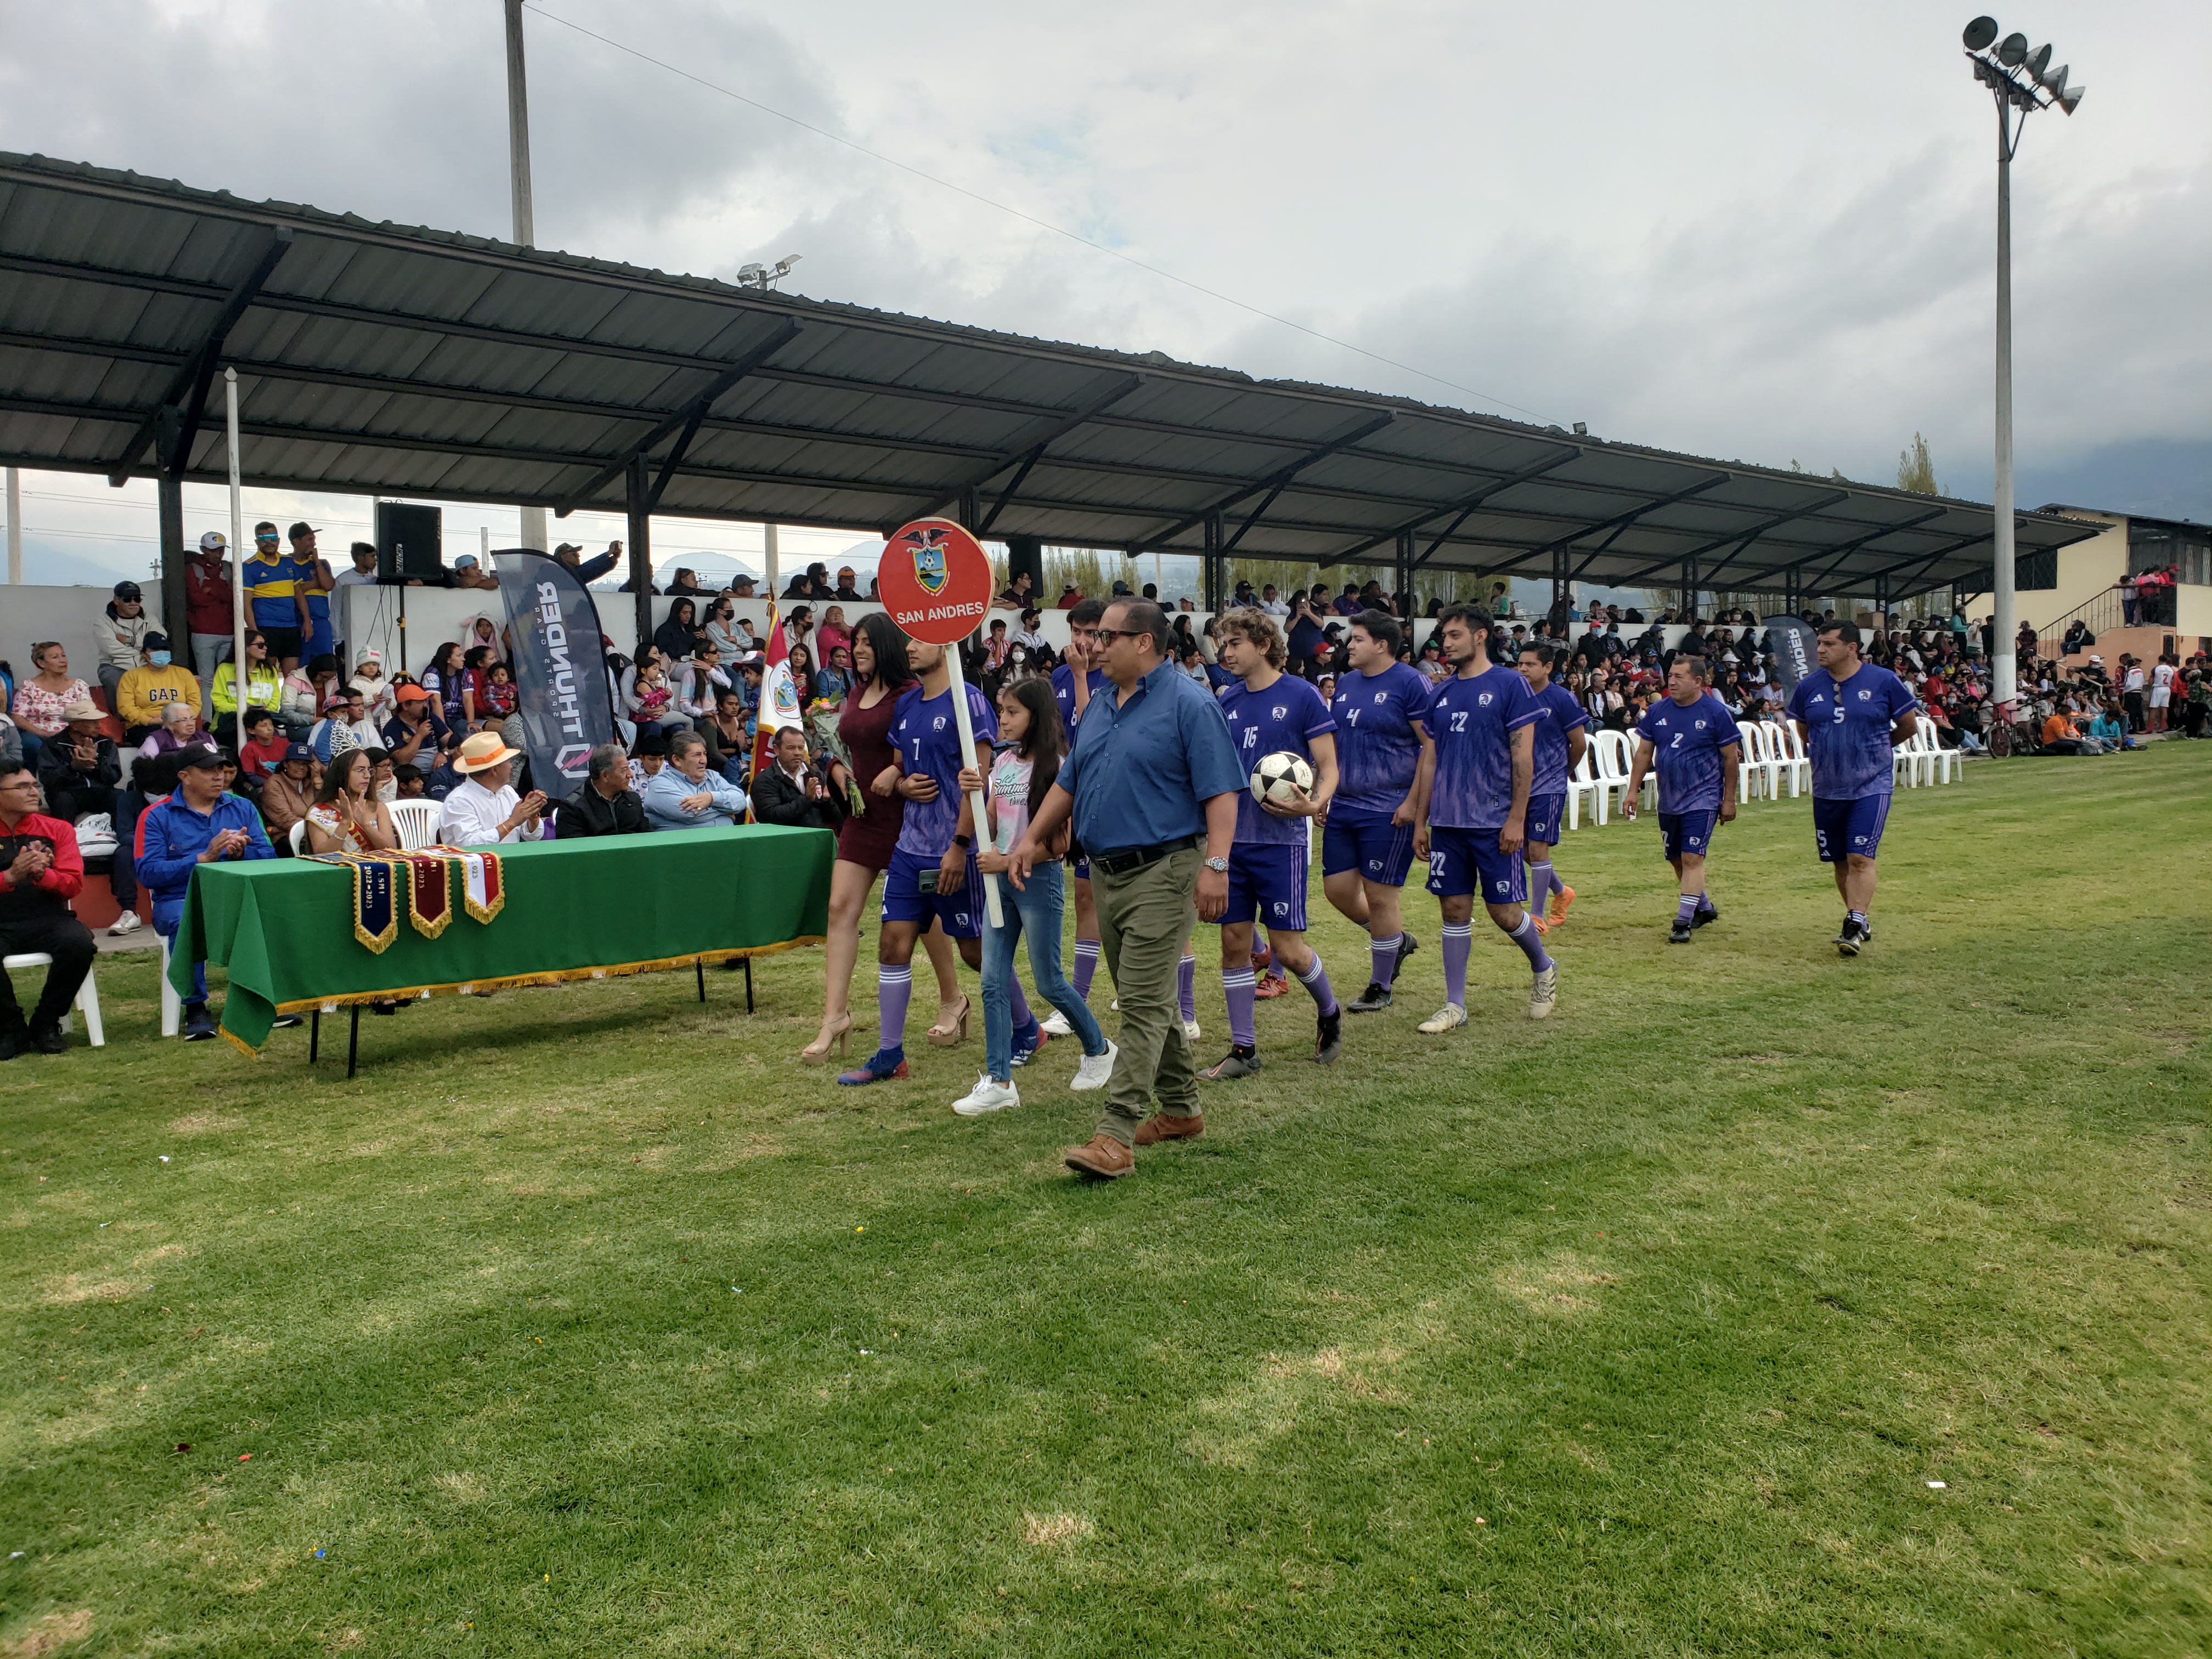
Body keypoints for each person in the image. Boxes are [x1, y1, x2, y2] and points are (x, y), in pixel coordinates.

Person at [1006, 599, 1240, 1176]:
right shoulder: (1103, 703)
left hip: (1166, 869)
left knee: (1139, 1001)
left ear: (1146, 643)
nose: (1093, 646)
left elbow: (1221, 793)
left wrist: (1216, 865)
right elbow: (1070, 780)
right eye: (1090, 635)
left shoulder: (1190, 703)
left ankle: (1114, 1133)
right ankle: (1182, 1110)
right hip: (1106, 872)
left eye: (1107, 636)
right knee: (1150, 998)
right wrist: (1031, 839)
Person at [947, 680, 1117, 1115]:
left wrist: (1008, 863)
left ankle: (1098, 1050)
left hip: (1037, 882)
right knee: (991, 981)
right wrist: (973, 787)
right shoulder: (1002, 760)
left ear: (1036, 717)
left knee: (1049, 981)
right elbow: (990, 820)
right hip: (998, 886)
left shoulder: (1057, 766)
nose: (1002, 718)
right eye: (1002, 710)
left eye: (1013, 712)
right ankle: (1000, 1081)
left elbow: (1061, 842)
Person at [805, 613, 969, 1065]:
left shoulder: (909, 695)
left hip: (907, 816)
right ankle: (834, 1017)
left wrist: (898, 778)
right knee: (839, 908)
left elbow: (915, 755)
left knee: (923, 916)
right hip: (861, 814)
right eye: (855, 642)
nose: (857, 650)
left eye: (867, 644)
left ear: (888, 649)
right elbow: (838, 748)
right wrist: (836, 769)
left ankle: (953, 998)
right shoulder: (853, 693)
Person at [836, 635, 997, 1087]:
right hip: (909, 848)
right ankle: (890, 1056)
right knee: (893, 945)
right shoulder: (907, 705)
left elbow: (977, 781)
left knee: (975, 953)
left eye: (920, 641)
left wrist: (959, 846)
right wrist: (902, 784)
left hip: (953, 849)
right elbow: (901, 770)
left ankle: (1025, 1028)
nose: (908, 647)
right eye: (905, 640)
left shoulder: (970, 702)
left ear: (947, 648)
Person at [1199, 608, 1342, 1080]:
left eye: (1236, 642)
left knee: (1290, 949)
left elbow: (1329, 766)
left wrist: (1315, 803)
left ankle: (1330, 1010)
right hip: (1233, 842)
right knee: (1234, 942)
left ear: (1263, 645)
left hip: (1283, 843)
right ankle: (1244, 1050)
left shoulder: (1301, 696)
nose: (1227, 651)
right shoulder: (1228, 701)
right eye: (1224, 643)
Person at [1409, 606, 1557, 1032]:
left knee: (1505, 913)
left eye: (1454, 634)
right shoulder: (1441, 692)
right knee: (1453, 910)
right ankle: (1455, 1005)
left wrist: (1517, 818)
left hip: (1494, 821)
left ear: (1480, 637)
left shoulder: (1511, 685)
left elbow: (1522, 757)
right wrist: (1422, 822)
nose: (1445, 642)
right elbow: (1430, 761)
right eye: (1443, 635)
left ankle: (1544, 967)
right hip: (1449, 824)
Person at [1321, 610, 1433, 1013]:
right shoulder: (1348, 683)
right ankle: (1395, 941)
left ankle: (1380, 984)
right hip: (1345, 804)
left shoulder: (1411, 683)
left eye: (1358, 639)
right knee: (1336, 891)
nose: (1349, 646)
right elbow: (1335, 743)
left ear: (1382, 645)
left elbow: (1430, 747)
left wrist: (1413, 803)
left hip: (1388, 807)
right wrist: (1325, 792)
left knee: (1381, 896)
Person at [1786, 621, 1918, 956]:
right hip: (1827, 787)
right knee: (1840, 861)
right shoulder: (1808, 687)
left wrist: (1877, 749)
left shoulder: (1883, 681)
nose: (1820, 650)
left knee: (1860, 856)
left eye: (1829, 644)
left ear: (1851, 648)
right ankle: (1859, 917)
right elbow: (1803, 728)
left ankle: (1854, 923)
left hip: (1871, 784)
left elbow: (1908, 725)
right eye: (1819, 643)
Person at [137, 747, 277, 1040]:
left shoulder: (243, 807)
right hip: (180, 898)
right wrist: (202, 858)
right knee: (183, 920)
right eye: (209, 771)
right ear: (185, 777)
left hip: (234, 895)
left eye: (223, 770)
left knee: (272, 912)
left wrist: (241, 854)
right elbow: (148, 873)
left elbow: (269, 855)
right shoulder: (156, 816)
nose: (219, 777)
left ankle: (261, 997)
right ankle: (196, 1007)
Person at [1622, 656, 1742, 944]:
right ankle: (1704, 908)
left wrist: (1729, 800)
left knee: (1692, 857)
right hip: (1670, 799)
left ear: (1698, 682)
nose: (1671, 682)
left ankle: (1682, 922)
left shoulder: (1715, 712)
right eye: (1671, 676)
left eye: (1679, 677)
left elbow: (1730, 759)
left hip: (1703, 796)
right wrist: (1632, 790)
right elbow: (1643, 753)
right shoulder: (1658, 710)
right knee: (1676, 858)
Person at [0, 762, 95, 1057]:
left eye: (35, 786)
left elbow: (72, 885)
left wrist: (43, 875)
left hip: (48, 917)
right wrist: (10, 877)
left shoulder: (58, 829)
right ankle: (10, 1028)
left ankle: (46, 1022)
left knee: (79, 944)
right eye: (23, 787)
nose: (34, 792)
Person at [1514, 641, 1592, 933]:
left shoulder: (1561, 699)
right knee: (1520, 848)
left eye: (1530, 664)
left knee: (1538, 847)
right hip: (1518, 785)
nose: (1523, 669)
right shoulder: (1513, 696)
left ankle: (1536, 916)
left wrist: (1563, 772)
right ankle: (1561, 892)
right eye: (1520, 663)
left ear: (1547, 668)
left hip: (1549, 784)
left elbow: (1579, 744)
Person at [442, 730, 548, 846]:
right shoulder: (459, 800)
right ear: (495, 770)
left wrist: (532, 816)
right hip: (476, 864)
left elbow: (534, 837)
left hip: (510, 861)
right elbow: (470, 845)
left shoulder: (508, 792)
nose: (511, 766)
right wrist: (512, 822)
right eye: (507, 761)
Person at [643, 730, 750, 830]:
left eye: (705, 754)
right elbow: (690, 814)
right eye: (697, 755)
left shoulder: (713, 776)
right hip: (682, 847)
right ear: (677, 760)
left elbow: (740, 801)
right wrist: (725, 814)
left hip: (722, 844)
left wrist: (711, 798)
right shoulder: (660, 784)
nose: (704, 761)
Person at [304, 748, 399, 856]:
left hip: (377, 870)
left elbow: (392, 851)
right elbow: (323, 856)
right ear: (342, 773)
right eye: (360, 770)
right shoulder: (319, 812)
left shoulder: (378, 808)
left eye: (369, 770)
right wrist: (345, 822)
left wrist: (366, 825)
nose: (367, 775)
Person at [240, 522, 308, 670]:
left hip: (291, 627)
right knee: (267, 674)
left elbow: (299, 595)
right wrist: (255, 633)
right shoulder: (249, 566)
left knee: (292, 677)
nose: (269, 542)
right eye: (264, 538)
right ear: (257, 542)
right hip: (266, 627)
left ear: (278, 540)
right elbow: (246, 603)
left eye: (272, 538)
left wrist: (307, 621)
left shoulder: (288, 562)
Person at [113, 632, 201, 745]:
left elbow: (195, 703)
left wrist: (181, 720)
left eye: (165, 649)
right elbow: (126, 707)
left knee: (200, 742)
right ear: (144, 654)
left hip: (180, 724)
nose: (161, 652)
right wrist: (149, 720)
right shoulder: (131, 676)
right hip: (143, 727)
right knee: (164, 741)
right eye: (155, 649)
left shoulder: (184, 674)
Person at [751, 725, 839, 830]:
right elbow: (771, 817)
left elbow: (836, 817)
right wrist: (807, 799)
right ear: (777, 750)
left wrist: (826, 801)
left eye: (801, 748)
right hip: (785, 840)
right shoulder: (765, 780)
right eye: (791, 748)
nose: (797, 752)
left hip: (819, 836)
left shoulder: (816, 775)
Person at [552, 742, 648, 838]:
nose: (630, 775)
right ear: (605, 775)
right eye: (624, 770)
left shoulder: (633, 800)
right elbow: (575, 850)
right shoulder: (574, 807)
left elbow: (647, 837)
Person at [210, 630, 284, 746]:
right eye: (260, 645)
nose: (265, 648)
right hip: (232, 722)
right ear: (245, 647)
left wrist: (260, 714)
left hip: (261, 721)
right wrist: (245, 710)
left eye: (265, 645)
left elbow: (275, 701)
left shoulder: (270, 671)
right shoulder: (225, 669)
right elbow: (219, 702)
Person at [184, 530, 235, 691]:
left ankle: (224, 715)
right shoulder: (193, 569)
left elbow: (233, 596)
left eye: (221, 549)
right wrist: (221, 593)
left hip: (229, 632)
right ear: (203, 549)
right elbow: (196, 599)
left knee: (227, 679)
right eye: (213, 550)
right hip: (203, 632)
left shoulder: (229, 569)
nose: (218, 554)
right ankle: (207, 716)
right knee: (207, 679)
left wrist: (210, 590)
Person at [93, 580, 153, 708]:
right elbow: (112, 649)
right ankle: (123, 722)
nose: (133, 603)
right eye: (127, 599)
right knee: (118, 682)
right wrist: (143, 649)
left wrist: (129, 641)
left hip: (146, 664)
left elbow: (159, 640)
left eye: (137, 599)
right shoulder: (103, 622)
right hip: (115, 666)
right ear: (117, 601)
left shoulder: (150, 619)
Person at [289, 523, 338, 667]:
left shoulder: (322, 564)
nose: (314, 544)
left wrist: (316, 562)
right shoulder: (287, 563)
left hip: (321, 621)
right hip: (297, 622)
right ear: (296, 541)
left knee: (325, 664)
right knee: (302, 665)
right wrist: (313, 584)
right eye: (309, 539)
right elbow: (292, 591)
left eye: (314, 539)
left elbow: (328, 585)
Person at [258, 743, 316, 844]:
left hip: (313, 834)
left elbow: (326, 812)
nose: (301, 767)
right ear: (286, 764)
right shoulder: (275, 783)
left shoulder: (311, 782)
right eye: (296, 763)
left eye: (305, 764)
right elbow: (285, 819)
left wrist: (318, 784)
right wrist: (318, 830)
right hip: (285, 837)